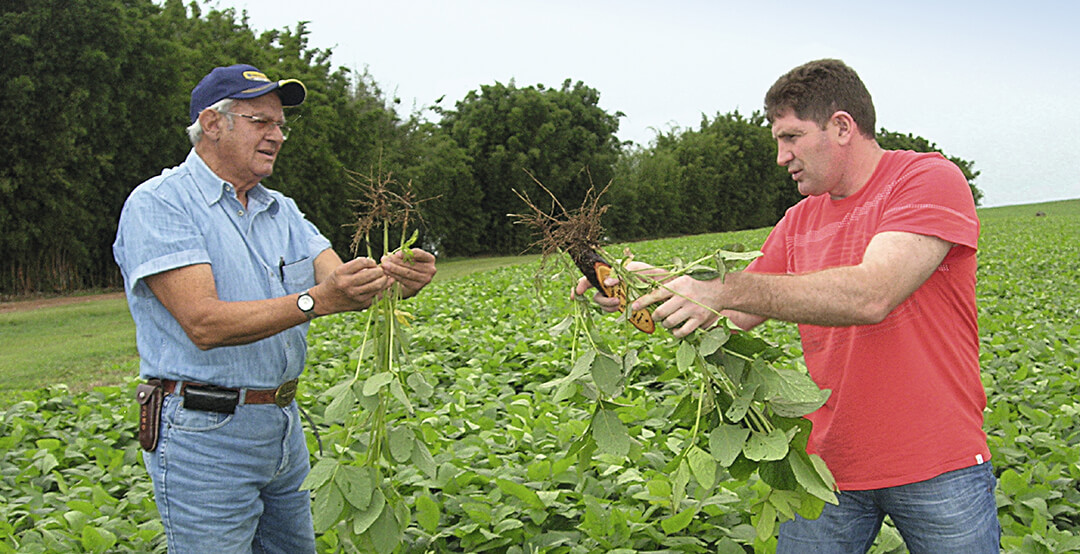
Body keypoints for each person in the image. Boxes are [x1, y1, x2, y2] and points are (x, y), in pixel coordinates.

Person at [576, 59, 999, 552]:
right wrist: (649, 289)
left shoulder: (926, 179)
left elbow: (872, 293)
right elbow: (732, 313)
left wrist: (722, 290)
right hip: (828, 466)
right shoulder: (799, 220)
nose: (781, 156)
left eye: (792, 137)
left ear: (842, 126)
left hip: (936, 461)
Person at [113, 63, 436, 553]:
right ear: (214, 123)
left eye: (281, 124)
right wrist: (317, 302)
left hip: (282, 425)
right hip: (203, 432)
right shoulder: (161, 203)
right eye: (261, 121)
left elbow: (339, 280)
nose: (278, 135)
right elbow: (203, 323)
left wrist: (391, 280)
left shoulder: (279, 208)